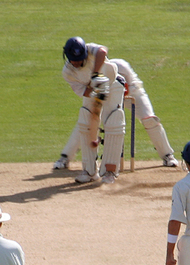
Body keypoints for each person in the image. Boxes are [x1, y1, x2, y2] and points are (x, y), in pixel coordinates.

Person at [54, 58, 179, 170]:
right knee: (86, 122)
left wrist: (118, 96)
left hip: (133, 93)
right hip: (108, 98)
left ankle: (167, 155)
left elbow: (130, 87)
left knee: (150, 120)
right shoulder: (96, 73)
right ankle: (65, 157)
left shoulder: (121, 65)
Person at [61, 37, 126, 184]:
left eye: (79, 59)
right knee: (85, 122)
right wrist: (96, 90)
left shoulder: (90, 49)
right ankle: (89, 171)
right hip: (91, 90)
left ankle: (110, 172)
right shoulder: (68, 72)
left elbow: (102, 51)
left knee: (113, 123)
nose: (77, 62)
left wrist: (96, 74)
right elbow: (83, 91)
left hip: (113, 84)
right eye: (73, 60)